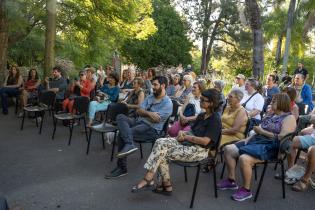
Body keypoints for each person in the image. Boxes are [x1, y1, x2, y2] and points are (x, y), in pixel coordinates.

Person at [130, 89, 222, 194]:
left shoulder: (215, 119)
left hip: (200, 150)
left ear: (211, 103)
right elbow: (192, 131)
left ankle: (158, 182)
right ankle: (158, 183)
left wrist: (186, 137)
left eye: (203, 100)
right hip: (189, 143)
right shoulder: (202, 115)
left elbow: (205, 141)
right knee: (160, 141)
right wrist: (183, 133)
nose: (200, 101)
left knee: (162, 153)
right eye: (200, 99)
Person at [218, 93, 296, 201]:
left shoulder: (289, 117)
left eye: (274, 101)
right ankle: (231, 181)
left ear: (282, 103)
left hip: (272, 147)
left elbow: (282, 137)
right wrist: (247, 139)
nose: (270, 103)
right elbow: (258, 131)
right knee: (229, 149)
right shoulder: (271, 115)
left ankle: (246, 190)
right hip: (257, 141)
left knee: (244, 158)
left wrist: (262, 132)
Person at [105, 76, 172, 179]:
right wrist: (150, 113)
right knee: (120, 117)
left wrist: (145, 113)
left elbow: (155, 120)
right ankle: (129, 144)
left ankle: (122, 168)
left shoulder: (168, 104)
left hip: (151, 129)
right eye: (152, 84)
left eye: (155, 85)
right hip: (138, 121)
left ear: (163, 86)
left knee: (123, 133)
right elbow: (139, 110)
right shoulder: (150, 97)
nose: (153, 87)